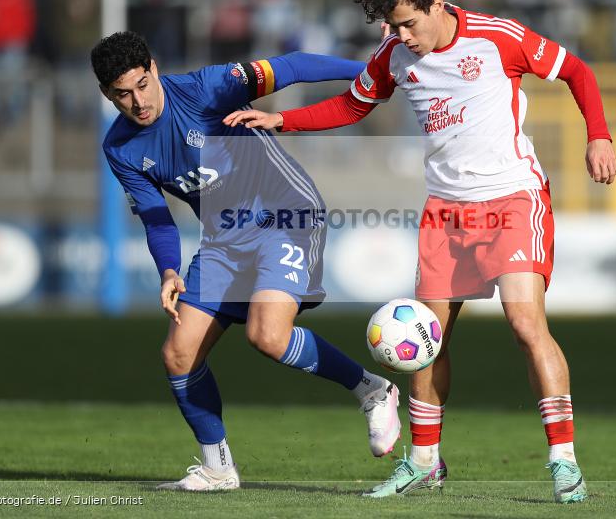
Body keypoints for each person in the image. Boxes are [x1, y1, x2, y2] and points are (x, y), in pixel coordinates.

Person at [225, 0, 616, 503]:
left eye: (408, 22)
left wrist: (598, 134)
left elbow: (576, 69)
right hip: (445, 211)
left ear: (437, 4)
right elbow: (351, 106)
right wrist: (281, 119)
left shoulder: (496, 36)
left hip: (512, 198)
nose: (401, 35)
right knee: (425, 342)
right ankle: (424, 462)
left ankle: (563, 460)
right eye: (392, 25)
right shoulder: (394, 56)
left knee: (526, 324)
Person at [92, 31, 401, 492]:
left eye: (142, 84)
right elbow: (157, 219)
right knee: (178, 353)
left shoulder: (207, 88)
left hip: (285, 213)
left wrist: (375, 72)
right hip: (222, 238)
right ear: (107, 94)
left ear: (154, 68)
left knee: (267, 335)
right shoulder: (120, 148)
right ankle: (218, 468)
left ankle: (373, 390)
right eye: (122, 94)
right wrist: (169, 271)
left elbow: (292, 67)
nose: (138, 102)